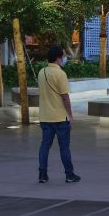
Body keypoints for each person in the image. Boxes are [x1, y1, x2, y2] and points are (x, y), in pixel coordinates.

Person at [36, 43, 80, 184]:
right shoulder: (60, 74)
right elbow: (65, 97)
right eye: (63, 54)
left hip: (45, 117)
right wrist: (71, 115)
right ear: (58, 58)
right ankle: (69, 174)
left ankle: (42, 175)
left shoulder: (41, 72)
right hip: (61, 118)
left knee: (44, 146)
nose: (65, 57)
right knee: (64, 147)